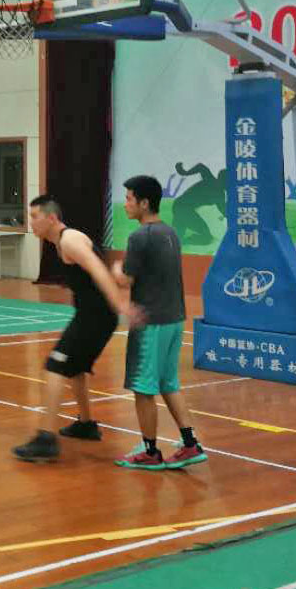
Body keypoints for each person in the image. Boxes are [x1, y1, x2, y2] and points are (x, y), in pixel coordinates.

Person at [12, 195, 124, 463]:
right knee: (74, 368)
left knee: (55, 365)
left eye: (35, 217)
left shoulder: (69, 240)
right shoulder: (62, 242)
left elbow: (98, 269)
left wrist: (120, 303)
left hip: (97, 316)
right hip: (92, 315)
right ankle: (86, 425)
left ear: (51, 218)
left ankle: (46, 440)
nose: (31, 222)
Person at [112, 175, 206, 470]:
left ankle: (151, 452)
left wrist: (115, 269)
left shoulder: (140, 237)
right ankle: (190, 444)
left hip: (151, 322)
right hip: (174, 319)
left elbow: (126, 279)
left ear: (144, 203)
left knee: (143, 388)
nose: (125, 204)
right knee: (168, 383)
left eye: (129, 199)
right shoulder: (170, 232)